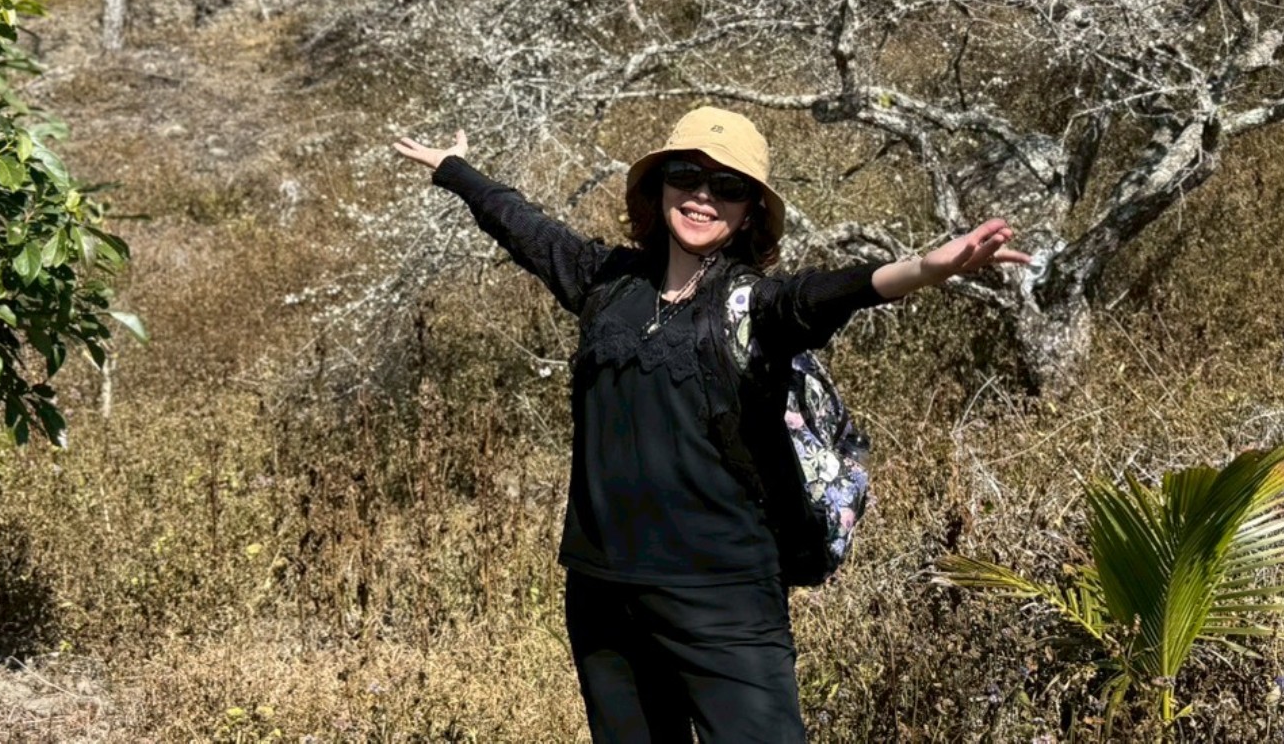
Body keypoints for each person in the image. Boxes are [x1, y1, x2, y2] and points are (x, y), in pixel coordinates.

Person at [392, 106, 1028, 744]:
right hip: (604, 594)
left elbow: (823, 294)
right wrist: (455, 169)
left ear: (749, 211)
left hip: (724, 599)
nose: (702, 196)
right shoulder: (607, 282)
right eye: (685, 176)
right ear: (659, 186)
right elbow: (523, 225)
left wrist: (925, 269)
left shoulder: (752, 304)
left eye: (727, 186)